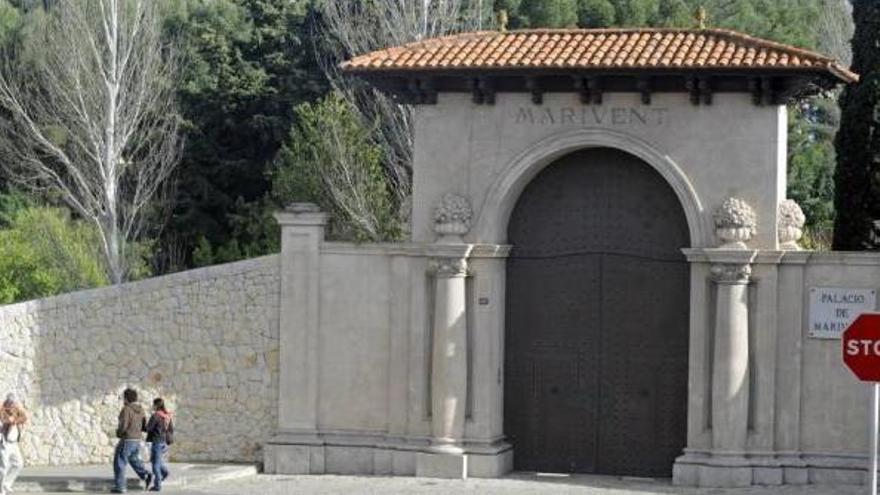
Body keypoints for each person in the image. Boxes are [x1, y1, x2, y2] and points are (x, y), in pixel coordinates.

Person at [112, 388, 151, 494]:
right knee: (133, 459)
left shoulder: (126, 409)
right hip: (137, 439)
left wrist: (119, 433)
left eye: (124, 397)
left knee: (119, 462)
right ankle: (146, 474)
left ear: (126, 398)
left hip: (127, 439)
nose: (123, 399)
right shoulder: (141, 409)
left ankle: (120, 487)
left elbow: (123, 425)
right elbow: (144, 426)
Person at [145, 398, 173, 492]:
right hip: (164, 442)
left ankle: (157, 485)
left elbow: (149, 428)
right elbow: (171, 429)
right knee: (156, 460)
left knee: (155, 464)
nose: (152, 406)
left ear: (156, 405)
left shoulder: (156, 416)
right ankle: (165, 473)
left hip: (157, 441)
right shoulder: (167, 416)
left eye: (153, 405)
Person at [0, 394, 26, 495]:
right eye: (12, 403)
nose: (14, 405)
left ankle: (6, 484)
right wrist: (13, 419)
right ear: (7, 402)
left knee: (19, 464)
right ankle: (1, 490)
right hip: (5, 443)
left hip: (14, 444)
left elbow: (24, 417)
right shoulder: (3, 411)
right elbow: (6, 420)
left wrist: (17, 416)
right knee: (3, 467)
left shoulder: (16, 411)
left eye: (14, 403)